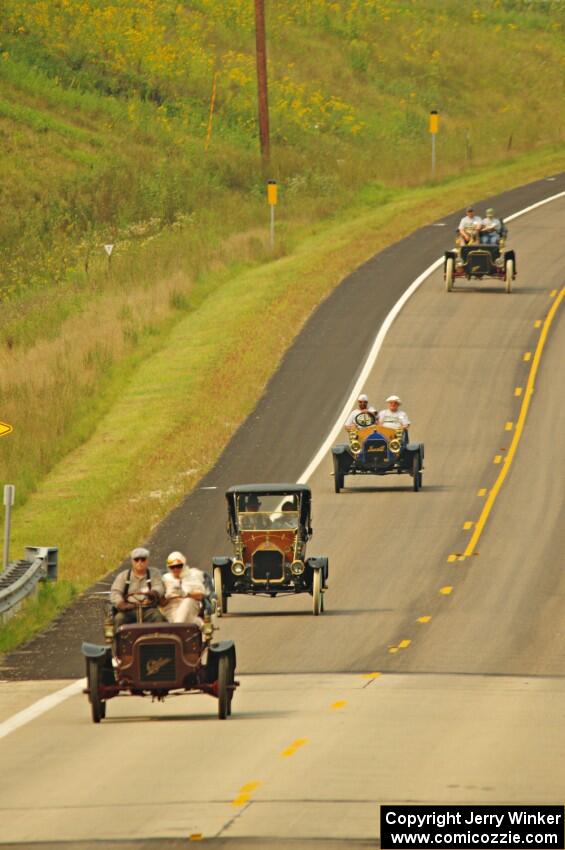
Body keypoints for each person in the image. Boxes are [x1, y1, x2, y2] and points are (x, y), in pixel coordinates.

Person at [110, 547, 165, 629]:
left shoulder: (154, 573)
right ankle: (118, 641)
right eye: (136, 560)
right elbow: (115, 592)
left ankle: (159, 639)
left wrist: (154, 593)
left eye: (143, 559)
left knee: (158, 617)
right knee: (119, 619)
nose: (140, 562)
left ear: (147, 560)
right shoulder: (123, 576)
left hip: (148, 609)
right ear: (132, 561)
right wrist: (121, 604)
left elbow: (159, 587)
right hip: (129, 610)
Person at [161, 551, 206, 626]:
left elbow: (200, 596)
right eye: (172, 567)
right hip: (171, 607)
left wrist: (186, 594)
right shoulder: (165, 579)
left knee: (187, 602)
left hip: (190, 605)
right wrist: (168, 596)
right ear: (168, 567)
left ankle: (177, 627)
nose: (176, 569)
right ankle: (195, 622)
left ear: (183, 565)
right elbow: (161, 603)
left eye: (179, 566)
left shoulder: (191, 576)